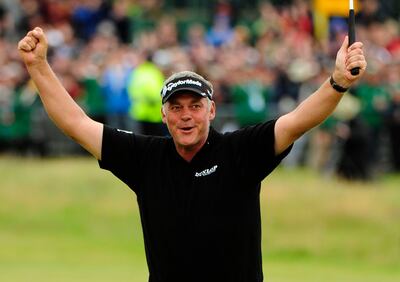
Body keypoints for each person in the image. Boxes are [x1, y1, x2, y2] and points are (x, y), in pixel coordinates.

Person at [18, 27, 366, 282]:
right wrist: (38, 67)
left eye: (195, 106)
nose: (186, 115)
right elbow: (76, 123)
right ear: (163, 114)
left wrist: (336, 82)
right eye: (177, 107)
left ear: (211, 111)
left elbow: (296, 122)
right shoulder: (146, 157)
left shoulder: (239, 151)